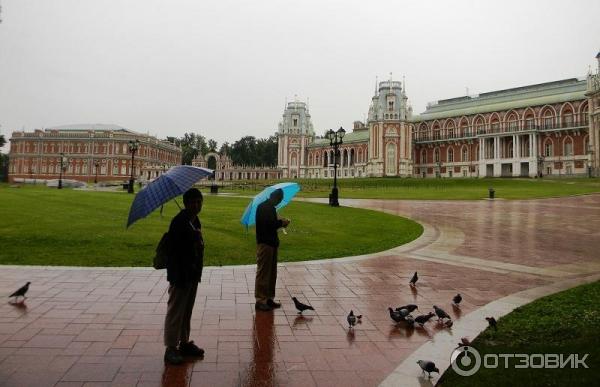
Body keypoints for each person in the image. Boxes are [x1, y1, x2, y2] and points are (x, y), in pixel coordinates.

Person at [163, 188, 205, 365]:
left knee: (186, 310)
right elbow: (175, 250)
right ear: (186, 203)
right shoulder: (179, 222)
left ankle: (184, 342)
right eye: (192, 202)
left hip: (192, 273)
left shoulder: (194, 220)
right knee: (176, 311)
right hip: (180, 274)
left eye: (198, 202)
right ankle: (170, 347)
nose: (196, 205)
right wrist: (193, 239)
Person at [255, 188, 290, 312]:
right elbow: (269, 224)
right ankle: (260, 300)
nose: (279, 203)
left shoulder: (269, 208)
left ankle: (269, 298)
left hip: (271, 243)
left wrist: (278, 221)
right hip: (265, 243)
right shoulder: (264, 208)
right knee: (264, 272)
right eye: (279, 200)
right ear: (276, 198)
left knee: (271, 273)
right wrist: (282, 222)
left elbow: (271, 222)